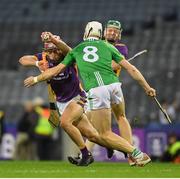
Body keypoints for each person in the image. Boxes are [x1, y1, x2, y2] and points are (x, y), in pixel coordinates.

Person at [24, 21, 156, 166]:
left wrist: (36, 79)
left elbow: (55, 71)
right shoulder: (108, 46)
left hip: (97, 90)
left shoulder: (77, 50)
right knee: (111, 124)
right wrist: (147, 87)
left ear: (85, 33)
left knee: (104, 133)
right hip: (115, 86)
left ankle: (136, 154)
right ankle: (97, 153)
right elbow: (132, 69)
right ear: (101, 34)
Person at [20, 34, 126, 166]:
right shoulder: (45, 58)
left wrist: (55, 41)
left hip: (78, 97)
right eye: (49, 51)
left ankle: (86, 155)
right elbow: (22, 60)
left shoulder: (69, 56)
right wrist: (37, 63)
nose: (52, 54)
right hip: (62, 102)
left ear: (59, 49)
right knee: (92, 135)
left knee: (65, 123)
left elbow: (67, 50)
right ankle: (115, 146)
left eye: (55, 50)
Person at [84, 20, 134, 165]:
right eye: (110, 30)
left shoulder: (121, 48)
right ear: (104, 32)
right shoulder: (95, 46)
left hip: (111, 87)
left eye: (115, 31)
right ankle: (107, 145)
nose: (112, 33)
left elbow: (113, 65)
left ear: (119, 34)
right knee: (89, 123)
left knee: (120, 117)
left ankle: (131, 154)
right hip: (96, 87)